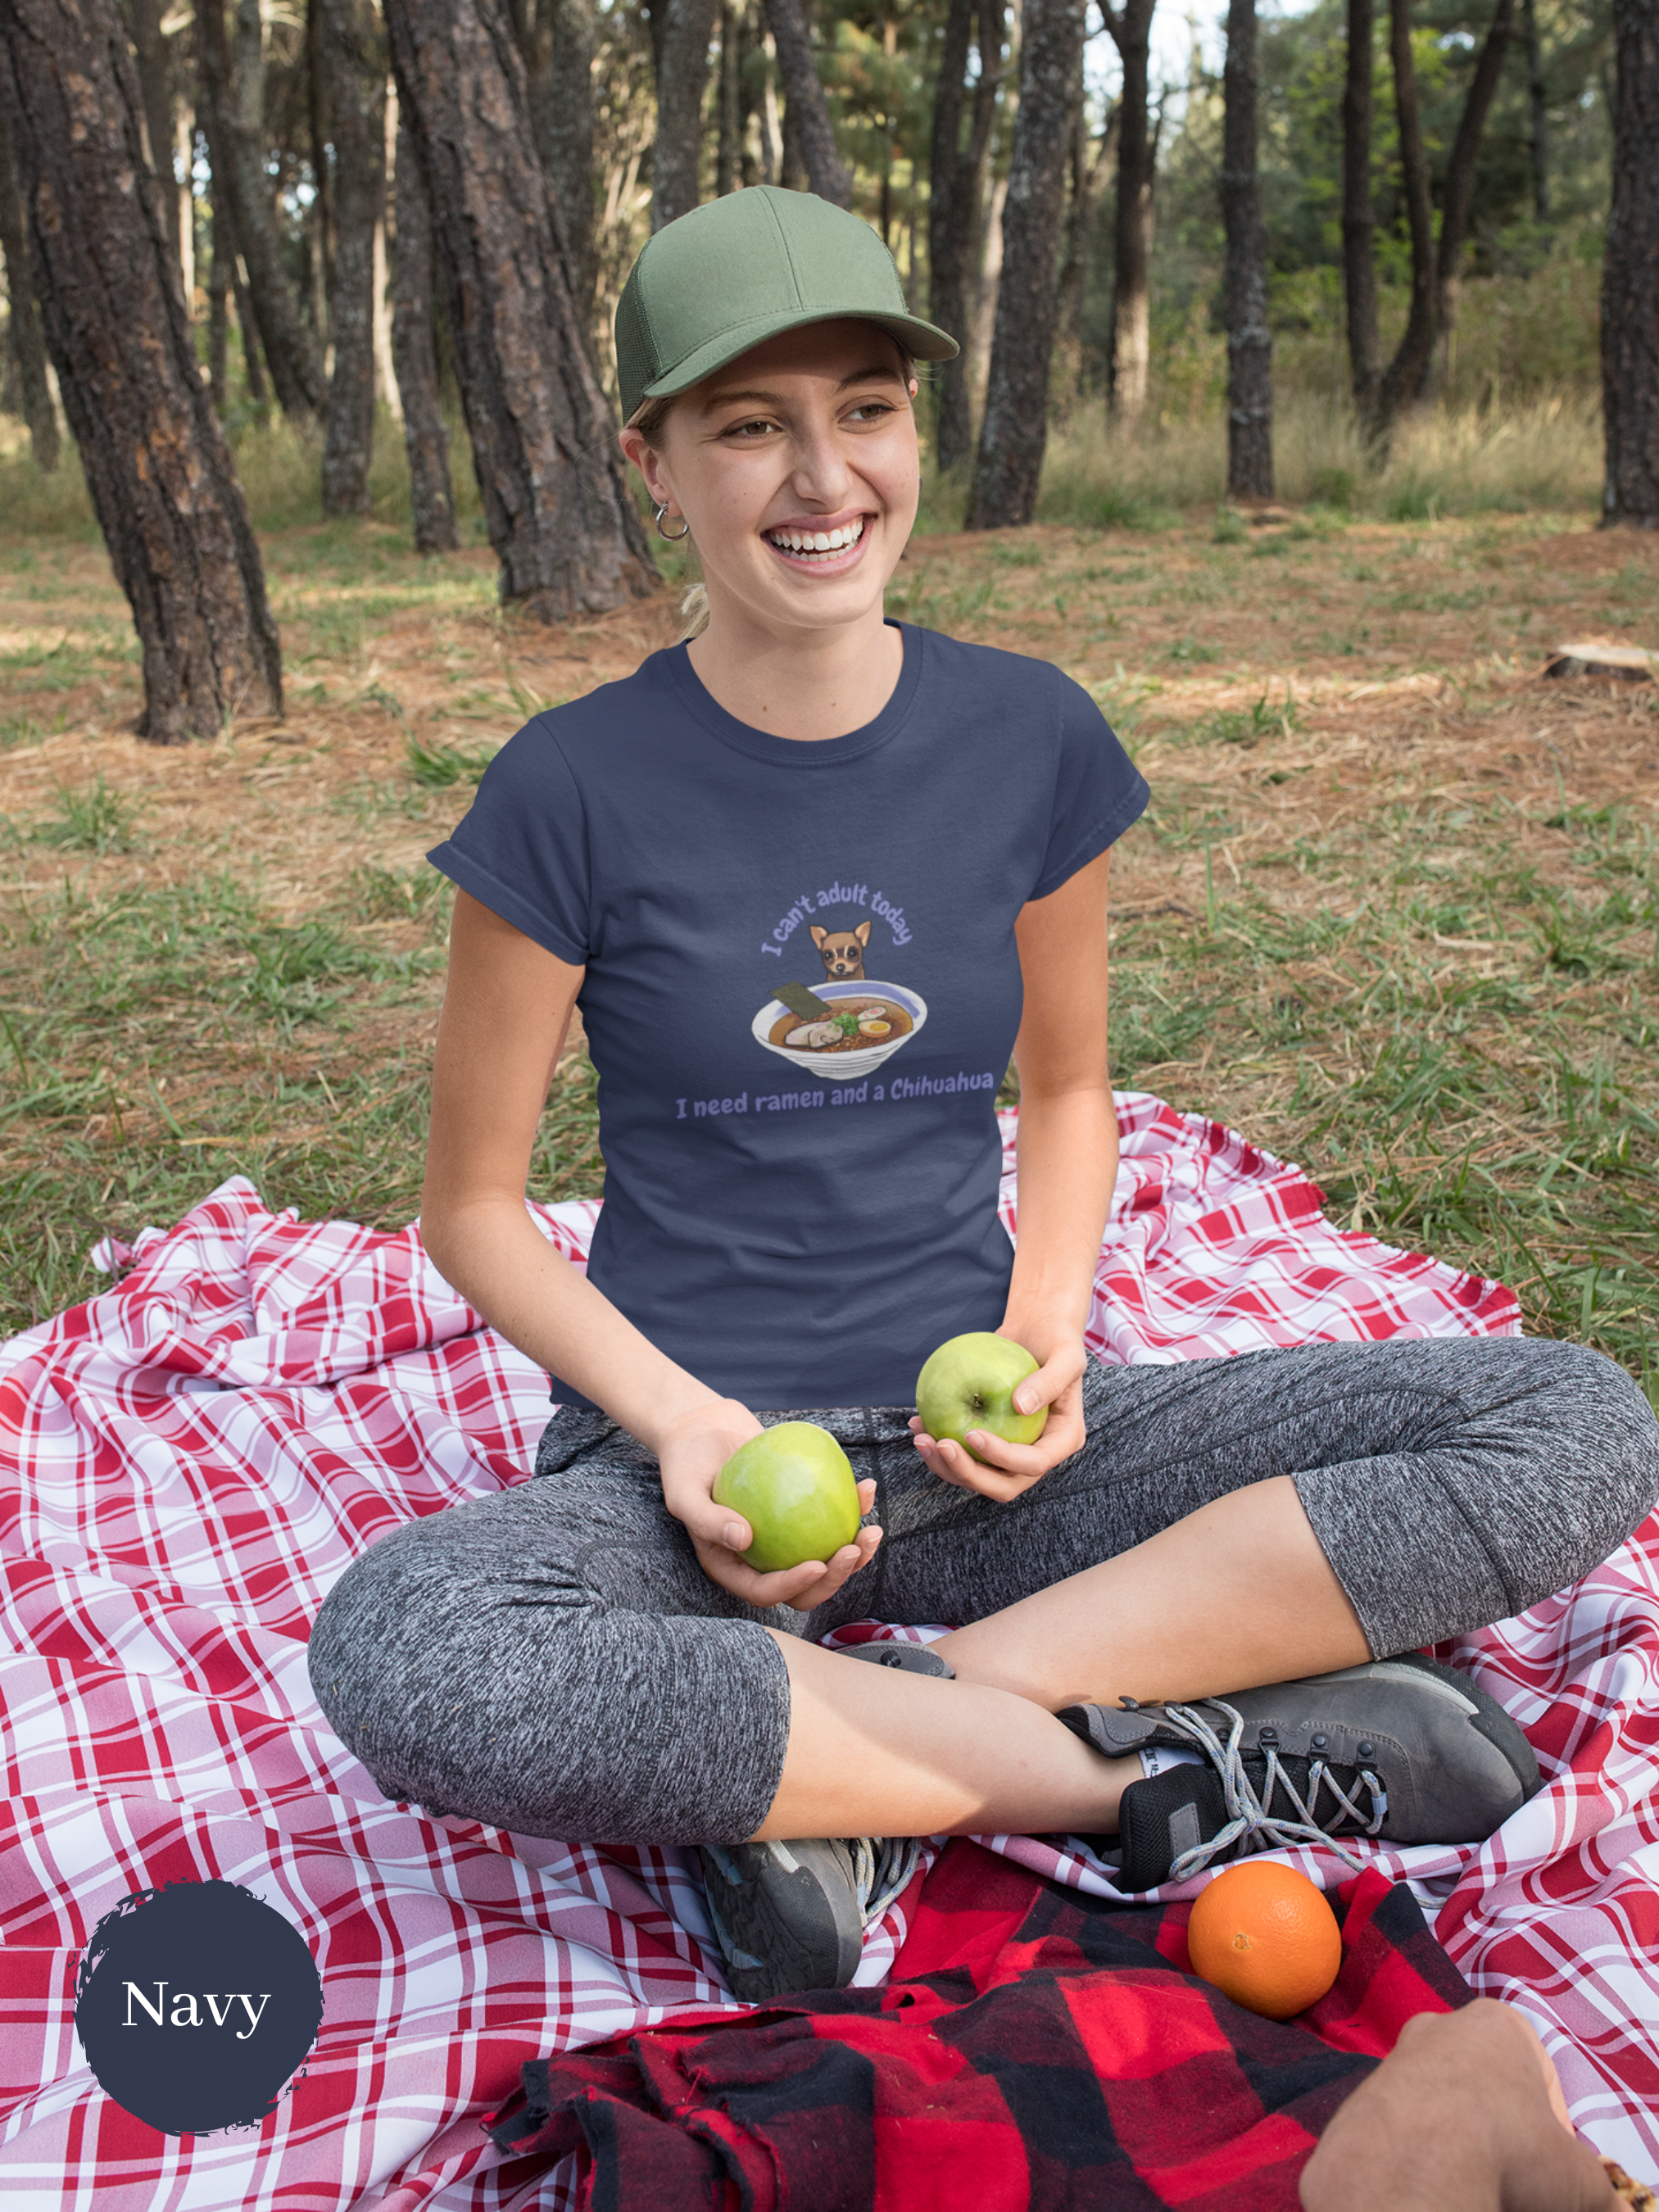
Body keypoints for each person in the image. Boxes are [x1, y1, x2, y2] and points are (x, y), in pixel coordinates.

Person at [306, 187, 1659, 2004]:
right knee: (409, 1648)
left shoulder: (1029, 736)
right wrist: (683, 1430)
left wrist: (1044, 1331)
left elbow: (1074, 1085)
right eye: (747, 423)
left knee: (1571, 1417)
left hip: (993, 1472)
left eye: (865, 406)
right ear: (653, 460)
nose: (821, 473)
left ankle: (864, 1754)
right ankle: (1147, 1774)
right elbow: (471, 1205)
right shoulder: (567, 789)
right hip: (687, 1491)